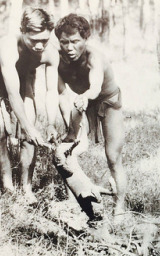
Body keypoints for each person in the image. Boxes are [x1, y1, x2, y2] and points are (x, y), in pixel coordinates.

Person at [50, 13, 127, 222]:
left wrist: (85, 97)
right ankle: (74, 200)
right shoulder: (56, 58)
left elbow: (95, 86)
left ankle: (120, 205)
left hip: (107, 101)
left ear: (85, 39)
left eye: (75, 41)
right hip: (82, 102)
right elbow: (61, 95)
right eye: (64, 42)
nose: (69, 47)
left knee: (113, 156)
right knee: (67, 151)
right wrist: (71, 130)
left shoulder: (95, 57)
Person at [0, 7, 60, 202]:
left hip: (23, 80)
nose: (40, 46)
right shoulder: (8, 48)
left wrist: (50, 123)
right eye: (34, 41)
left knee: (28, 137)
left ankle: (26, 188)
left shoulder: (51, 51)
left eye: (45, 40)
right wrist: (28, 126)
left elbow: (51, 90)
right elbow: (12, 93)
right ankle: (8, 186)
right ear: (23, 31)